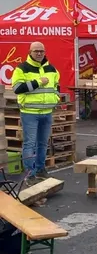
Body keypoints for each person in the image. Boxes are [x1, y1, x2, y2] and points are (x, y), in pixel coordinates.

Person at [12, 42, 60, 185]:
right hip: (29, 112)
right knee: (29, 144)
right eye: (36, 51)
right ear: (30, 52)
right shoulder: (21, 69)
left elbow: (57, 85)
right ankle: (30, 174)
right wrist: (38, 82)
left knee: (43, 144)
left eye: (41, 51)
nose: (39, 53)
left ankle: (40, 169)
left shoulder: (52, 69)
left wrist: (56, 98)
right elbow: (17, 88)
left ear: (45, 52)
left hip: (47, 112)